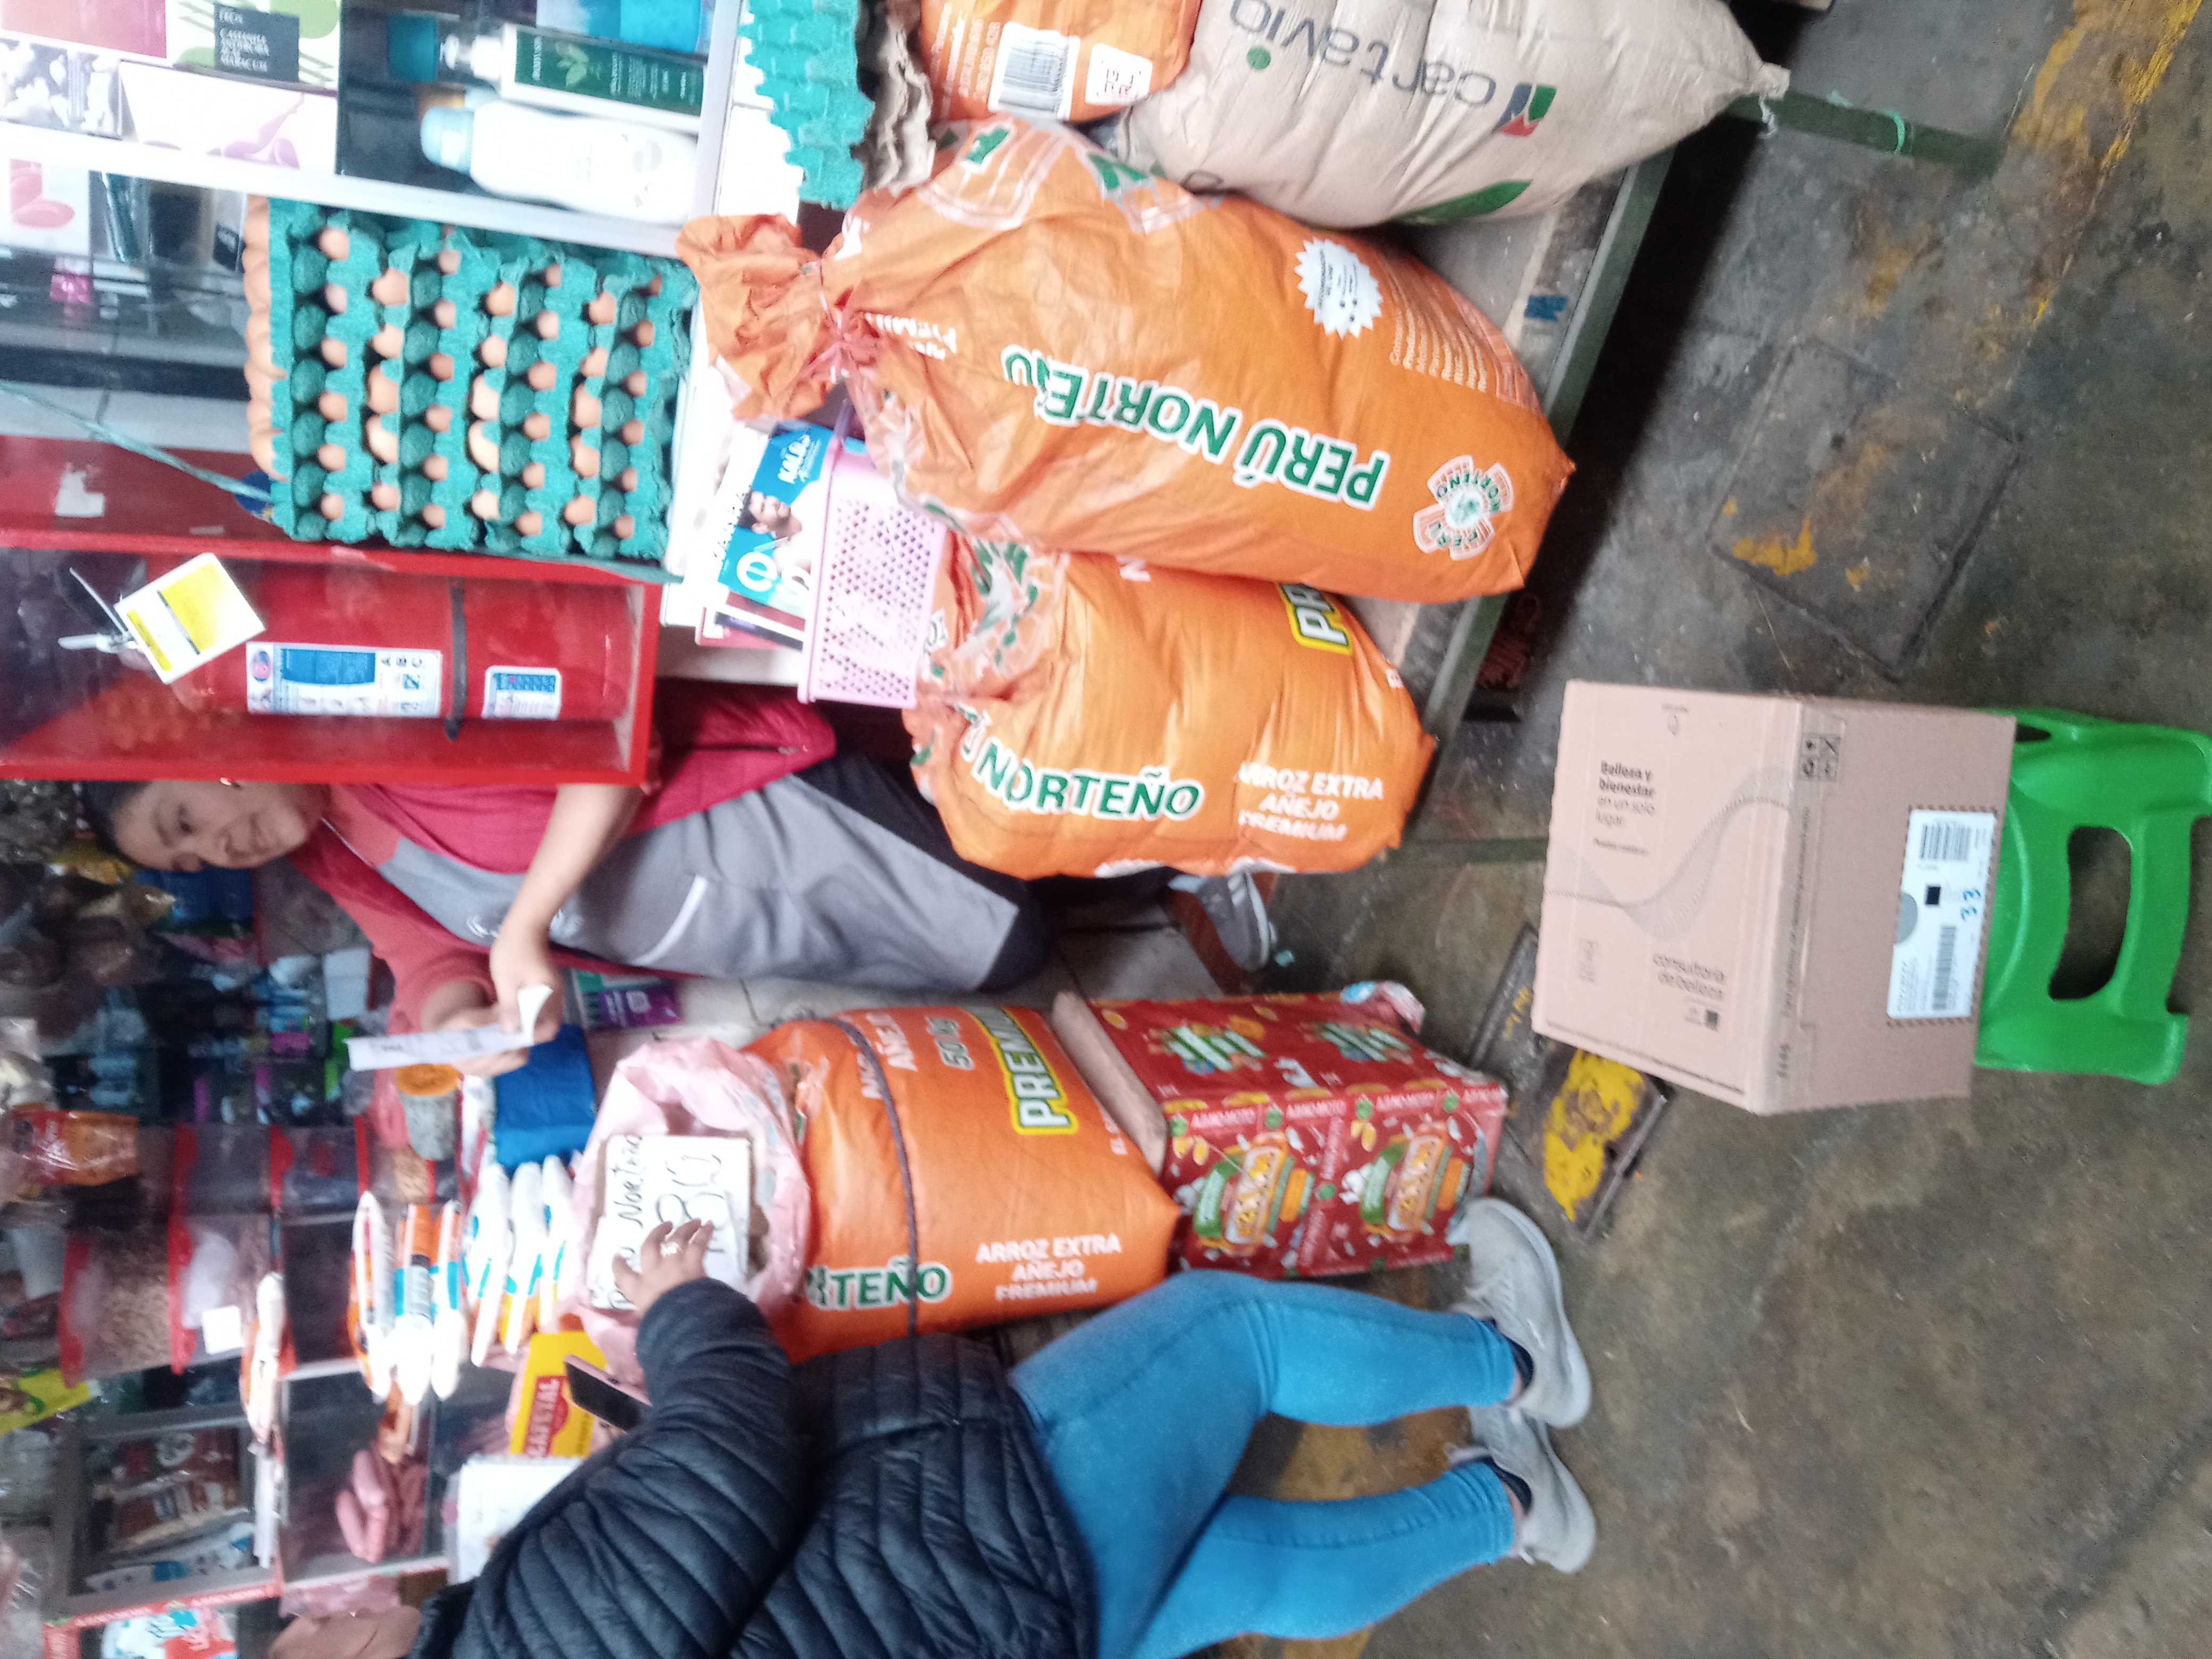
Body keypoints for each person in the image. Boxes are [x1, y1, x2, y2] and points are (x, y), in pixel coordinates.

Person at [270, 1200, 1593, 1659]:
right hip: (984, 1532)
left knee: (1244, 1570)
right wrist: (678, 1313)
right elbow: (727, 1470)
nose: (325, 1610)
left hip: (1005, 1631)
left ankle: (1513, 1511)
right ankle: (1518, 1359)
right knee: (1229, 1335)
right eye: (310, 1635)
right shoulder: (525, 1642)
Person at [82, 684, 1277, 1071]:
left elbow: (606, 741)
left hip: (768, 819)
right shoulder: (334, 846)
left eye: (187, 817)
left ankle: (1246, 799)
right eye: (186, 859)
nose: (215, 851)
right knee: (1003, 944)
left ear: (206, 737)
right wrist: (453, 1022)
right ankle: (1202, 865)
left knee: (1006, 905)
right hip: (732, 923)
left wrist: (528, 925)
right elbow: (425, 951)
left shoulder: (374, 708)